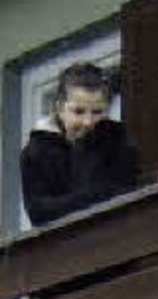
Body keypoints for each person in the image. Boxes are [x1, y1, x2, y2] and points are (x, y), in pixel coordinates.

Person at [20, 61, 139, 228]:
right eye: (78, 111)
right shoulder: (36, 152)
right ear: (60, 108)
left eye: (97, 112)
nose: (87, 121)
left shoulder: (117, 140)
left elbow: (132, 188)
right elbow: (39, 212)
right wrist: (97, 195)